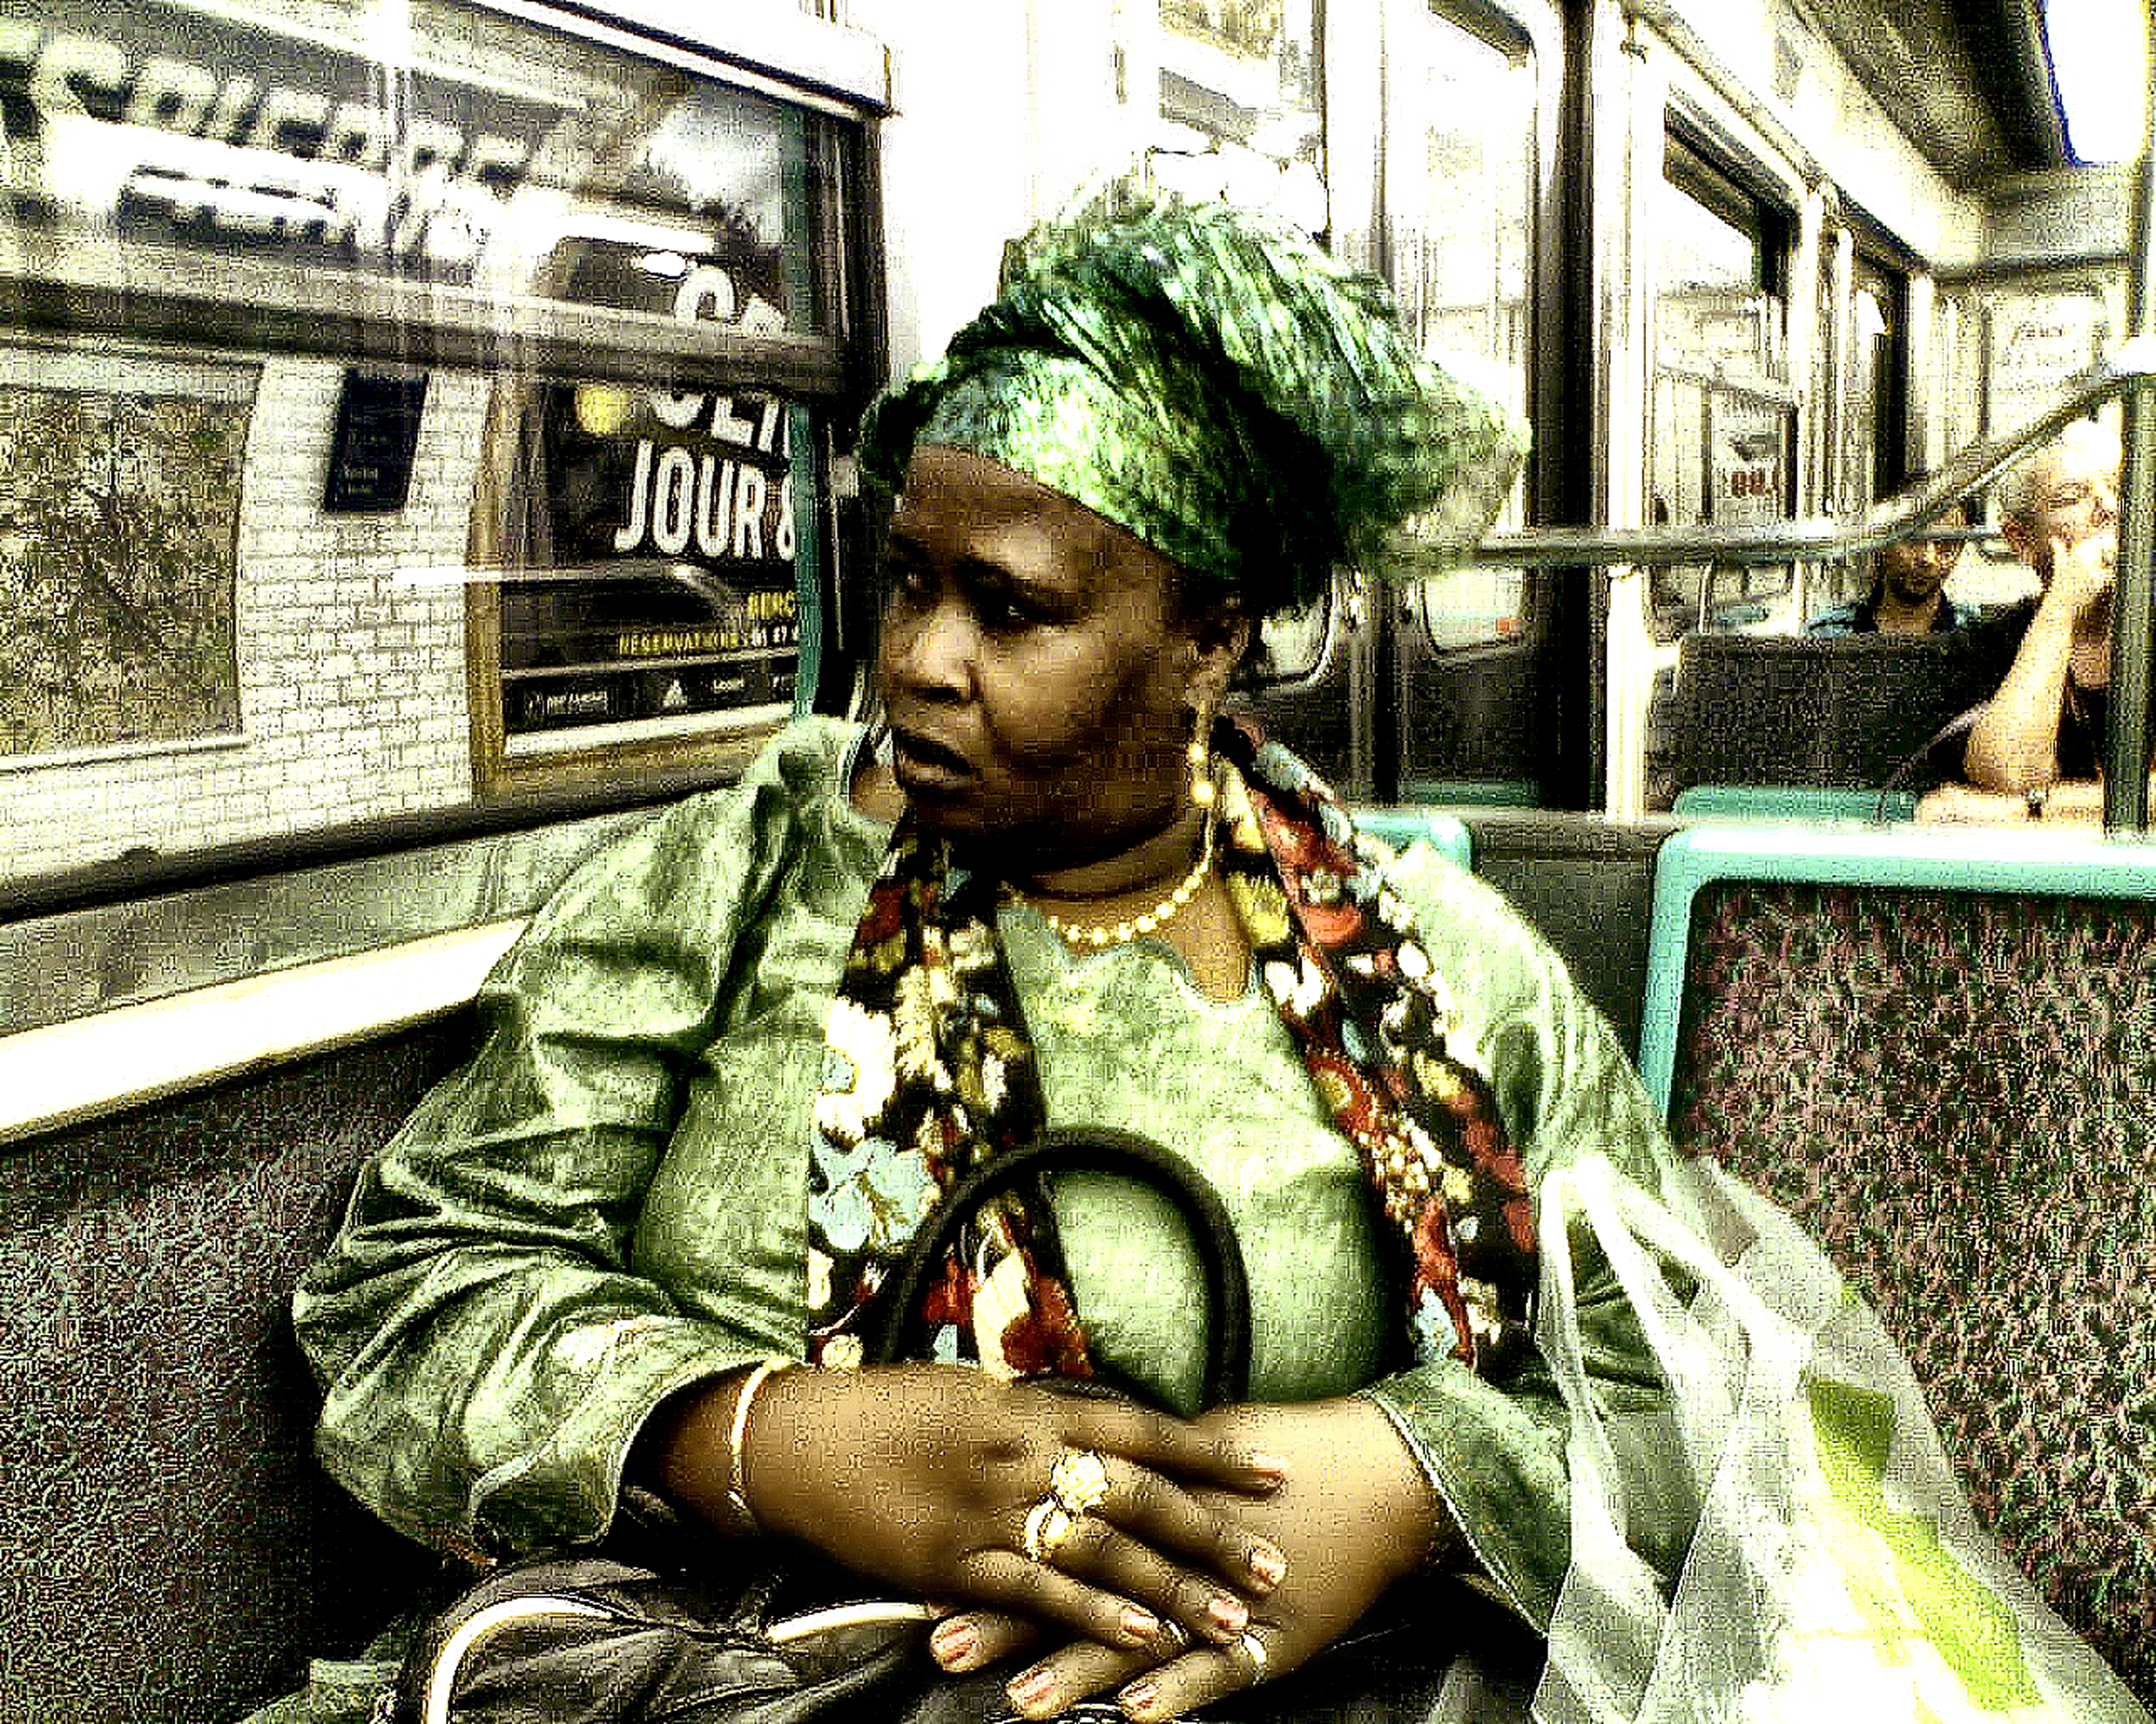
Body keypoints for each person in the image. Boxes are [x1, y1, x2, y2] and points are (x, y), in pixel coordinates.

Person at [260, 197, 2149, 1724]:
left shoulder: (1440, 983)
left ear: (1211, 642)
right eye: (907, 578)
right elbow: (416, 1283)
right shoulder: (744, 870)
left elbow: (1707, 1388)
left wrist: (1414, 1478)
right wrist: (753, 1430)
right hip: (722, 1660)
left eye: (1011, 608)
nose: (916, 658)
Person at [1916, 419, 2120, 826]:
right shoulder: (1986, 646)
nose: (2110, 509)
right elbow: (2012, 772)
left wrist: (2028, 809)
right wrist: (2062, 607)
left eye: (2119, 488)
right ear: (2022, 541)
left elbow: (2009, 799)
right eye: (2072, 498)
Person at [1804, 489, 1981, 636]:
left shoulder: (1978, 634)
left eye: (1946, 545)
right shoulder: (1828, 635)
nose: (1928, 558)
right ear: (1882, 541)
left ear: (1960, 550)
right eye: (1914, 540)